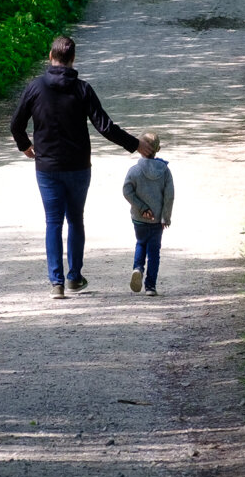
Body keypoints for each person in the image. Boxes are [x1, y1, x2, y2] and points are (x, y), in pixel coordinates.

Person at [11, 35, 139, 298]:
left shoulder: (35, 88)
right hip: (79, 167)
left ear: (50, 56)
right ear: (73, 59)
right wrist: (136, 145)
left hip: (46, 167)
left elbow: (16, 124)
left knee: (53, 222)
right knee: (76, 220)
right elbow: (105, 127)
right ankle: (74, 278)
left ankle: (56, 283)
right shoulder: (82, 89)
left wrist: (25, 146)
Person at [122, 131, 174, 295]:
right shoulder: (165, 171)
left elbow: (127, 190)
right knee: (154, 252)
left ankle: (137, 268)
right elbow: (169, 195)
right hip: (157, 220)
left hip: (139, 218)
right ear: (158, 149)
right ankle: (150, 286)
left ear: (140, 149)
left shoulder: (134, 171)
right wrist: (166, 216)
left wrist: (141, 206)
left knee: (140, 243)